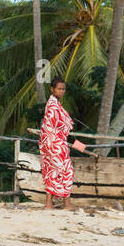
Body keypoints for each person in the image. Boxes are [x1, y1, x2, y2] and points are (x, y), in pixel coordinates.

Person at [39, 76, 86, 209]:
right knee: (66, 170)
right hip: (54, 143)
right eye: (59, 89)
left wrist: (79, 145)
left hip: (50, 143)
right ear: (52, 89)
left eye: (63, 89)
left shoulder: (54, 104)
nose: (62, 91)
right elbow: (57, 127)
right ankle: (66, 203)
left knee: (51, 171)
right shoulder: (53, 105)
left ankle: (49, 204)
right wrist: (80, 146)